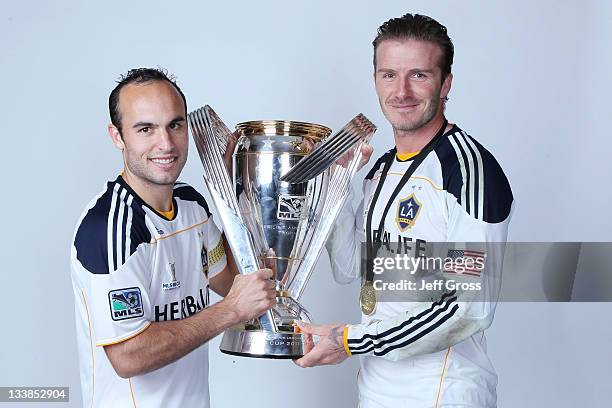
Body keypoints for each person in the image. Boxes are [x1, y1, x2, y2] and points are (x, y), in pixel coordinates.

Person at [295, 13, 514, 408]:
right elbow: (350, 268)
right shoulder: (380, 170)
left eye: (419, 75)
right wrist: (336, 189)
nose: (401, 91)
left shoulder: (468, 170)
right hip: (376, 388)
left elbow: (469, 307)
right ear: (375, 80)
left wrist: (350, 340)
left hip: (444, 392)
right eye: (389, 75)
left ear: (445, 83)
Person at [70, 68, 276, 407]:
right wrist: (229, 312)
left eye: (174, 125)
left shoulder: (191, 206)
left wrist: (233, 191)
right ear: (117, 136)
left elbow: (234, 282)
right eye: (145, 128)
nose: (165, 144)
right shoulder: (110, 229)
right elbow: (129, 356)